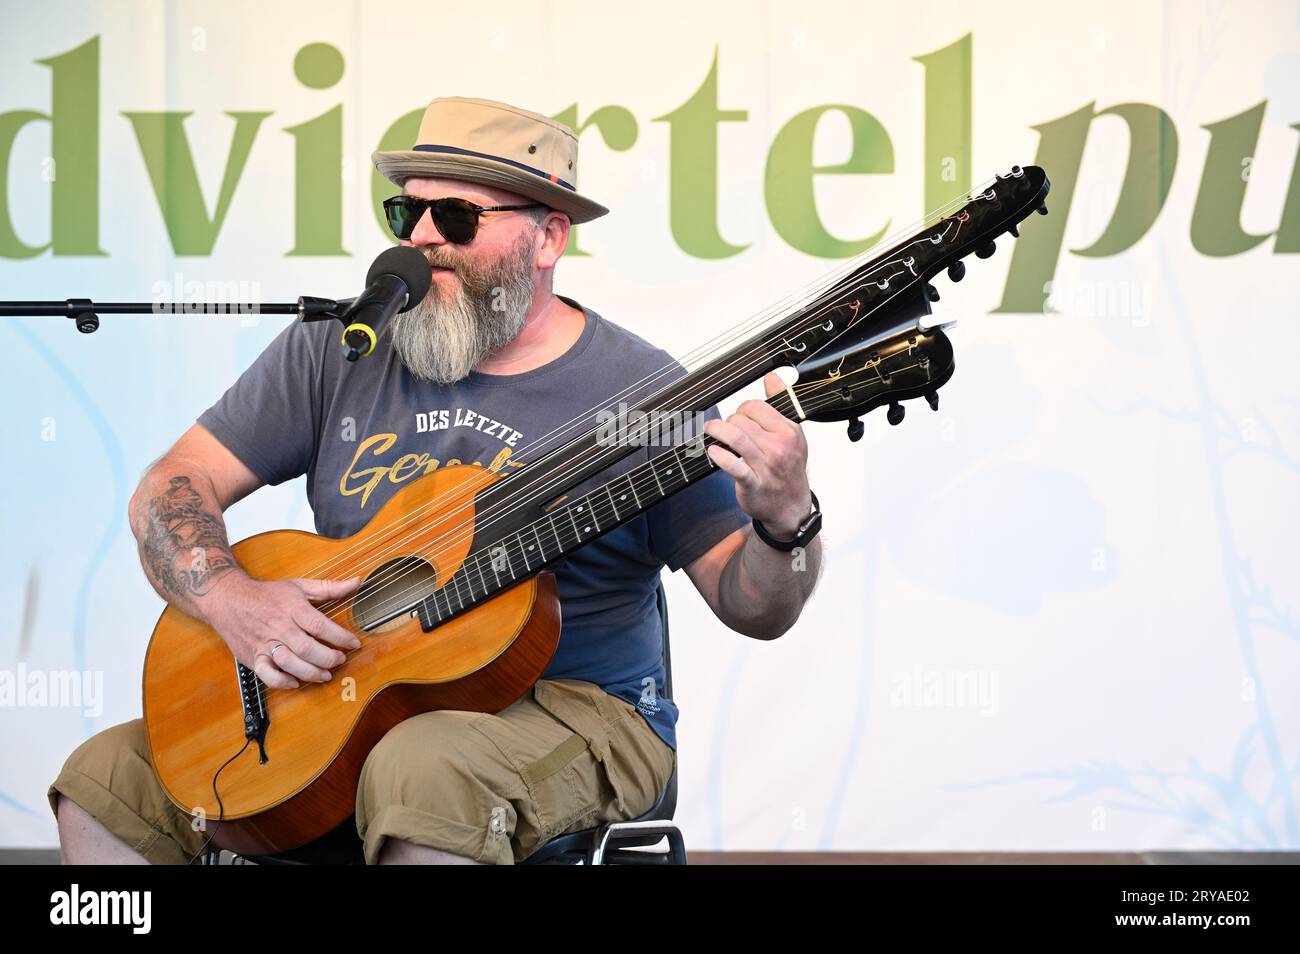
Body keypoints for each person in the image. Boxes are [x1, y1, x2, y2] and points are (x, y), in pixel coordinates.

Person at [48, 96, 823, 865]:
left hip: (577, 711)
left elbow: (752, 605)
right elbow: (172, 483)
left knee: (421, 772)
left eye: (454, 218)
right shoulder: (344, 345)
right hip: (361, 697)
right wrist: (229, 597)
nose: (420, 241)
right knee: (106, 782)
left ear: (548, 236)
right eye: (406, 215)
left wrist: (787, 521)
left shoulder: (642, 390)